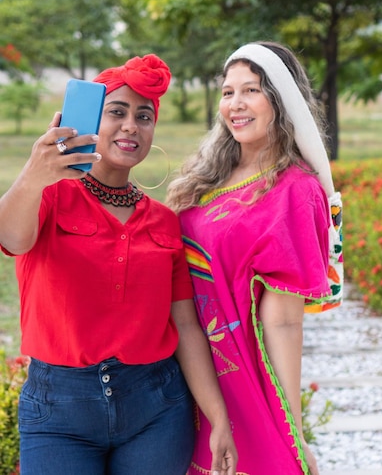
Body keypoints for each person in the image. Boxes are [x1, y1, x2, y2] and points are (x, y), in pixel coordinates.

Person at [0, 54, 237, 475]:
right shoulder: (50, 196)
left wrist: (219, 418)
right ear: (91, 118)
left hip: (156, 408)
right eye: (117, 112)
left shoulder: (165, 222)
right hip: (59, 412)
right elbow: (11, 239)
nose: (132, 125)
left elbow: (184, 327)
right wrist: (34, 174)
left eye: (144, 117)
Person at [166, 41, 343, 475]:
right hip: (171, 374)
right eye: (228, 92)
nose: (236, 104)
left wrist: (293, 431)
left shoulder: (295, 192)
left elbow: (283, 320)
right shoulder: (205, 177)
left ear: (281, 101)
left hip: (241, 386)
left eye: (252, 90)